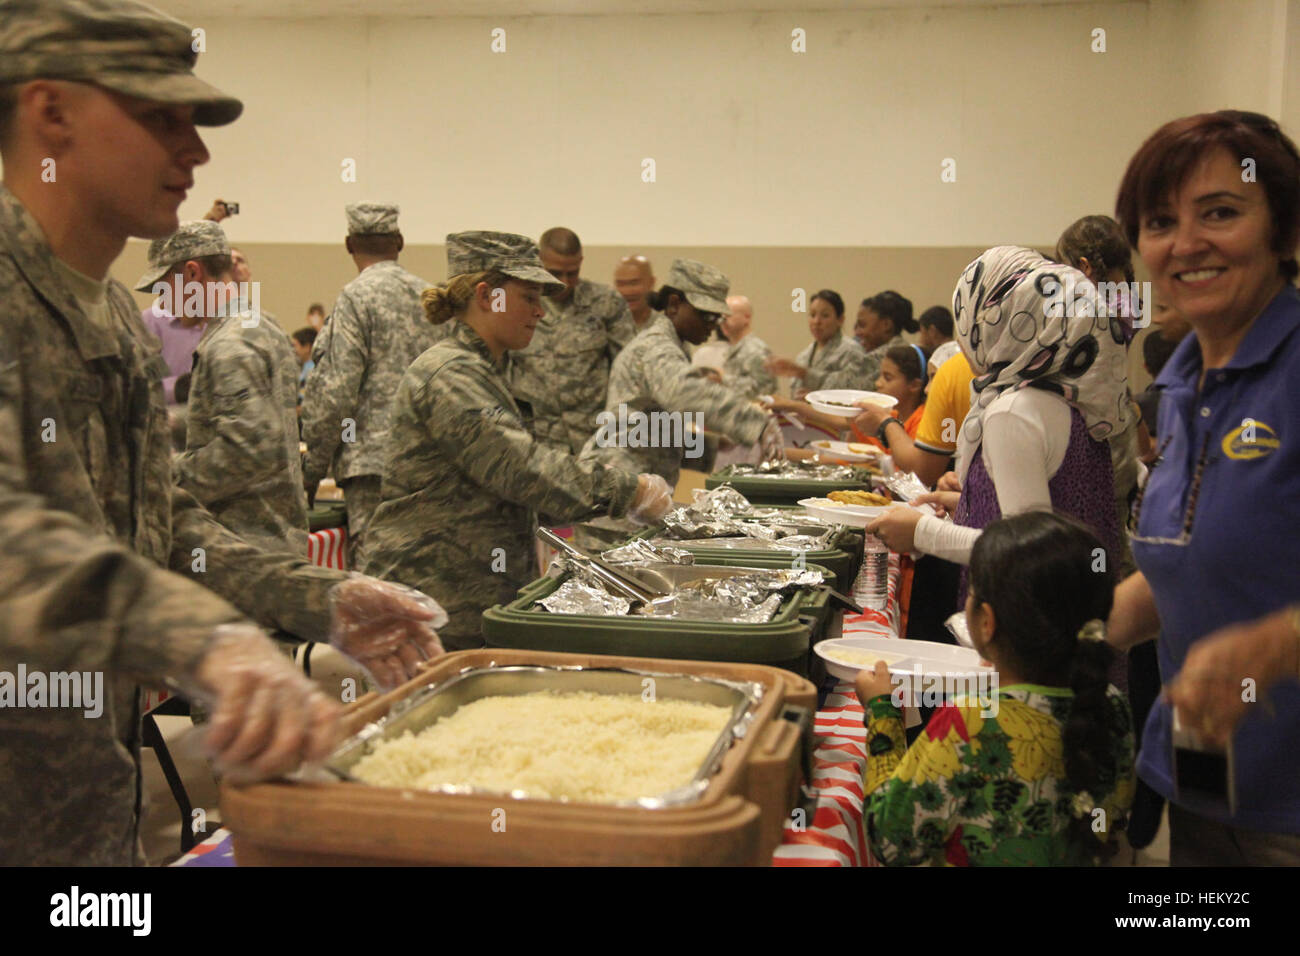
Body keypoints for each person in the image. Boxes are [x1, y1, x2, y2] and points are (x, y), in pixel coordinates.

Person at [0, 0, 443, 866]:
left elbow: (159, 519)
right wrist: (201, 638)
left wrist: (318, 597)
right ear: (50, 112)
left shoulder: (113, 316)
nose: (195, 152)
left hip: (80, 785)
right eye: (159, 118)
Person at [1105, 110, 1300, 864]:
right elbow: (1191, 559)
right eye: (1160, 222)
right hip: (1205, 777)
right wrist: (1079, 636)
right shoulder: (1185, 380)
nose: (1185, 244)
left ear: (1282, 230)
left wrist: (1276, 645)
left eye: (1220, 212)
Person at [362, 232, 673, 650]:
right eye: (528, 297)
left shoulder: (484, 369)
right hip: (435, 594)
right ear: (488, 296)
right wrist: (627, 489)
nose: (540, 312)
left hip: (467, 589)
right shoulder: (451, 375)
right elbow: (519, 467)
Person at [856, 512, 1135, 865]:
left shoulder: (972, 720)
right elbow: (1112, 817)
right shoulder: (1112, 705)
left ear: (986, 623)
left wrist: (883, 712)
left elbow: (890, 838)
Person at [867, 247, 1132, 599]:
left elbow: (1028, 554)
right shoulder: (1072, 396)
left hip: (1029, 630)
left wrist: (921, 533)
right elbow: (1055, 511)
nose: (963, 339)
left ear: (1001, 326)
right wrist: (974, 501)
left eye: (970, 321)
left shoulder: (1013, 411)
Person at [140, 221, 309, 555]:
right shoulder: (261, 324)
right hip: (274, 535)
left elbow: (246, 449)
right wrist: (174, 422)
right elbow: (246, 418)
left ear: (192, 273)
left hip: (243, 543)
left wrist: (165, 474)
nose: (161, 298)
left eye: (163, 284)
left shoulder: (230, 343)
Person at [301, 202, 440, 563]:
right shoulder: (431, 299)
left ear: (349, 245)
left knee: (378, 581)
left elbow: (336, 393)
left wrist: (310, 473)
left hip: (372, 468)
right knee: (424, 571)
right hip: (430, 462)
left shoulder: (355, 298)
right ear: (400, 241)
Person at [580, 258, 783, 486]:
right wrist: (756, 423)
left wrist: (713, 447)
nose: (713, 326)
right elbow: (685, 393)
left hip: (633, 485)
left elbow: (655, 430)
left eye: (718, 318)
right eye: (707, 316)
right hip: (616, 490)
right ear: (675, 304)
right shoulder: (656, 347)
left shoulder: (676, 346)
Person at [508, 226, 636, 454]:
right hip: (537, 443)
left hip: (594, 440)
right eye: (555, 273)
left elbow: (630, 370)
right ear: (538, 262)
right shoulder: (518, 305)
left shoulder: (605, 302)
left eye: (572, 273)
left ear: (581, 261)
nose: (565, 282)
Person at [766, 288, 869, 397]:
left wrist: (814, 395)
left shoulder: (852, 351)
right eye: (812, 315)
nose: (816, 322)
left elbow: (852, 389)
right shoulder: (804, 356)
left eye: (825, 315)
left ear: (840, 319)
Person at [850, 344, 928, 452]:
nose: (878, 383)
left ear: (914, 385)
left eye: (888, 378)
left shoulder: (922, 422)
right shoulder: (892, 415)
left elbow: (904, 463)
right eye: (880, 376)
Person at [719, 294, 777, 399]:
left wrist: (722, 379)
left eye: (727, 316)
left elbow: (765, 390)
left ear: (747, 318)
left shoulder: (756, 350)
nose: (722, 322)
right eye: (721, 317)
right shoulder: (734, 348)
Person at [857, 290, 918, 386]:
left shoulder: (876, 358)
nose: (857, 332)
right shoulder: (907, 350)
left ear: (886, 325)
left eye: (862, 325)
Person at [613, 254, 658, 331]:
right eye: (621, 284)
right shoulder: (607, 326)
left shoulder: (667, 325)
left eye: (634, 283)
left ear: (651, 283)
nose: (627, 292)